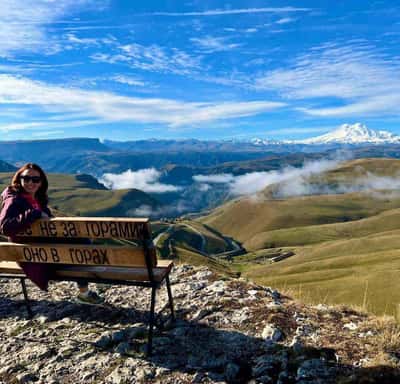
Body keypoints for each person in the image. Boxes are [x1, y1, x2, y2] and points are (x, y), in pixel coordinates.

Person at [0, 163, 103, 305]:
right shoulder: (14, 199)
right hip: (33, 256)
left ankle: (85, 290)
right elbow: (5, 227)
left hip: (43, 251)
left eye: (35, 179)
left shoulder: (36, 199)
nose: (31, 182)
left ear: (41, 182)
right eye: (26, 178)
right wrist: (35, 213)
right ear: (19, 179)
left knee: (80, 243)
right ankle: (85, 291)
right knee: (81, 245)